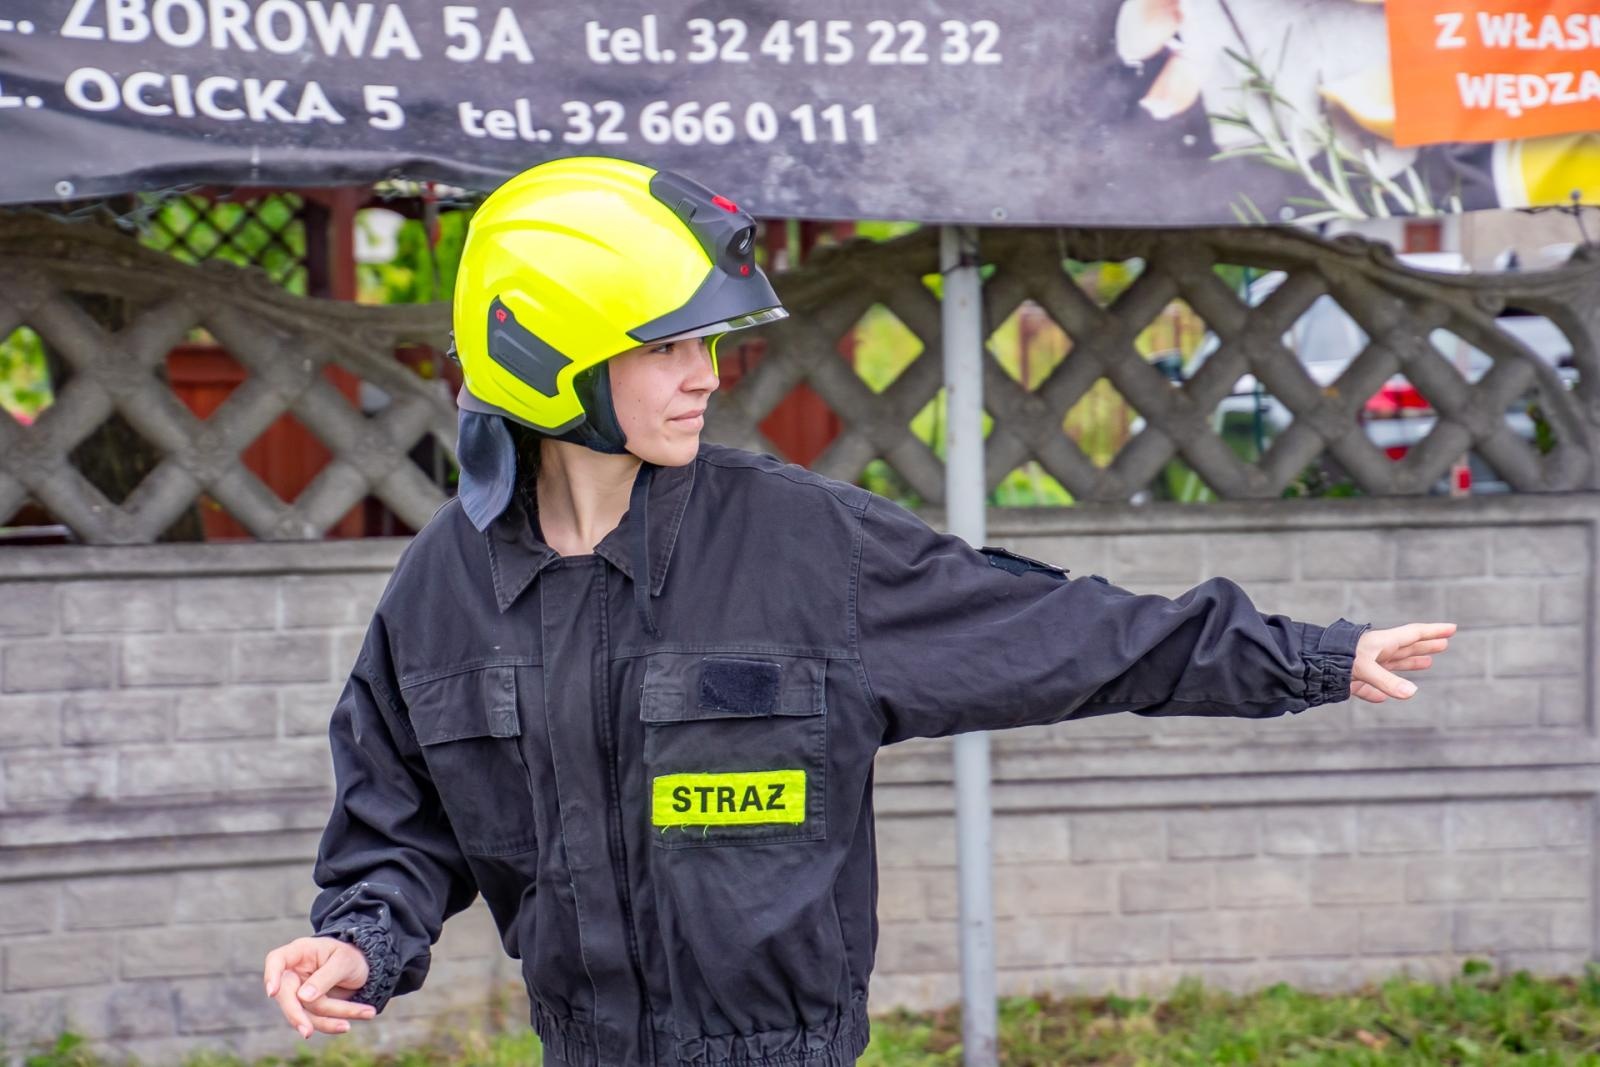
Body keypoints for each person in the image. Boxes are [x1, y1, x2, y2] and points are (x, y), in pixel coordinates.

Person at [262, 156, 1456, 1067]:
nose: (705, 376)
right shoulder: (442, 590)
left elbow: (1064, 634)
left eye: (706, 342)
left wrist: (1303, 656)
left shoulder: (803, 547)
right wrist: (360, 938)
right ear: (544, 354)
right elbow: (401, 821)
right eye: (665, 346)